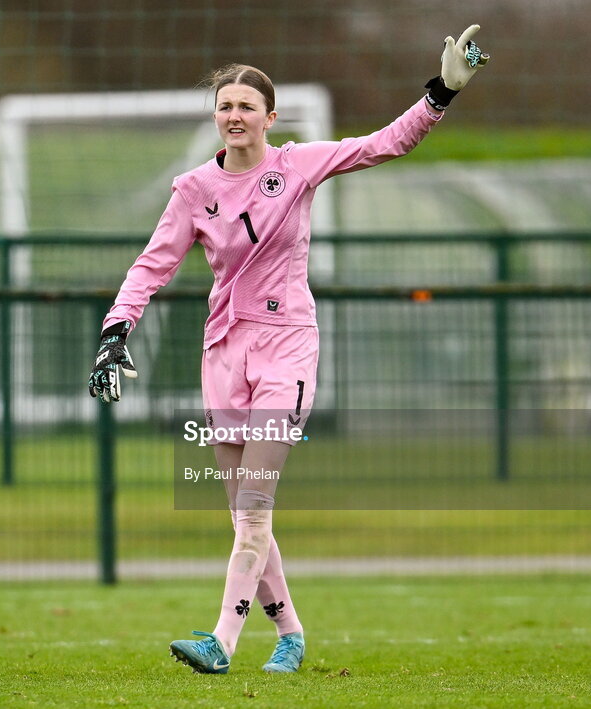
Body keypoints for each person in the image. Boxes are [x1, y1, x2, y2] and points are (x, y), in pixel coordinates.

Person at [88, 25, 489, 674]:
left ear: (269, 117)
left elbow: (384, 144)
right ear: (214, 118)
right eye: (224, 106)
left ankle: (220, 641)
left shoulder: (296, 165)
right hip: (222, 357)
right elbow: (150, 266)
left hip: (285, 352)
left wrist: (440, 91)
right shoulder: (192, 189)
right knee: (245, 514)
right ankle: (292, 634)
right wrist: (115, 329)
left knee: (253, 508)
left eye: (246, 105)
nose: (234, 115)